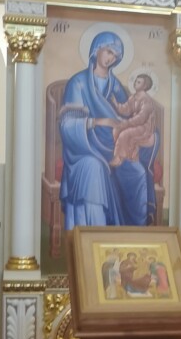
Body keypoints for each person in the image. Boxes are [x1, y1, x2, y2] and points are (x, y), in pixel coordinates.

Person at [58, 30, 157, 230]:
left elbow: (128, 115)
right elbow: (67, 125)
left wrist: (144, 132)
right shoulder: (78, 83)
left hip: (114, 145)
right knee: (94, 168)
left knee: (137, 172)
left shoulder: (116, 86)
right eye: (108, 51)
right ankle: (94, 234)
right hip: (85, 149)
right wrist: (96, 122)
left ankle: (134, 234)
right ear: (96, 49)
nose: (110, 58)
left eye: (115, 55)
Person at [110, 73, 157, 167]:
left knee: (125, 134)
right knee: (116, 129)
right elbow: (126, 110)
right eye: (136, 81)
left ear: (145, 86)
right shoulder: (133, 97)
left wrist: (126, 123)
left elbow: (141, 119)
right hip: (135, 123)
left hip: (144, 127)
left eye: (139, 82)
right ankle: (125, 155)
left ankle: (119, 158)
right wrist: (116, 104)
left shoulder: (146, 100)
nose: (135, 83)